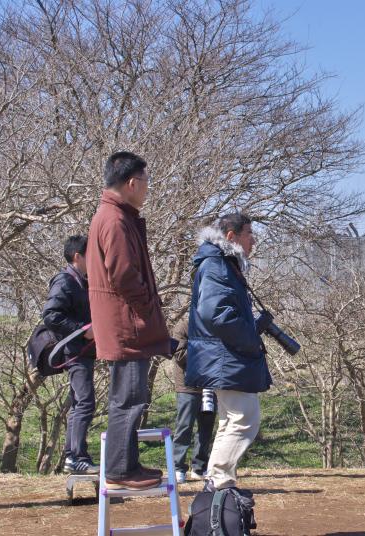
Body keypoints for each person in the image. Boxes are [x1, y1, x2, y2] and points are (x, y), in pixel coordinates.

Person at [86, 151, 170, 490]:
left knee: (130, 397)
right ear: (132, 182)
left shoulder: (113, 215)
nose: (148, 188)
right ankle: (120, 469)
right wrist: (148, 306)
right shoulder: (115, 219)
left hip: (124, 323)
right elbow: (122, 276)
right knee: (128, 399)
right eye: (146, 181)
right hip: (126, 325)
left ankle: (128, 463)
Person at [185, 213, 272, 491]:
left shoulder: (220, 264)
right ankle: (218, 480)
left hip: (224, 356)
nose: (254, 241)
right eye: (249, 234)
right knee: (245, 418)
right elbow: (216, 314)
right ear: (232, 237)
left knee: (231, 421)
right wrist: (249, 340)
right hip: (227, 356)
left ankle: (219, 481)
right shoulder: (216, 265)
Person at [42, 235, 98, 475]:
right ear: (78, 256)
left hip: (82, 351)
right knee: (85, 402)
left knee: (78, 404)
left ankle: (71, 456)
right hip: (74, 351)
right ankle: (77, 456)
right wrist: (83, 331)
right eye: (90, 254)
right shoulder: (65, 281)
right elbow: (51, 315)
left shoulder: (80, 281)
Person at [170, 314, 216, 484]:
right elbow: (180, 355)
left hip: (210, 385)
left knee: (206, 429)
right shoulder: (182, 327)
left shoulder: (213, 327)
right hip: (187, 387)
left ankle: (199, 467)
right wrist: (206, 351)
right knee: (184, 427)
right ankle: (178, 468)